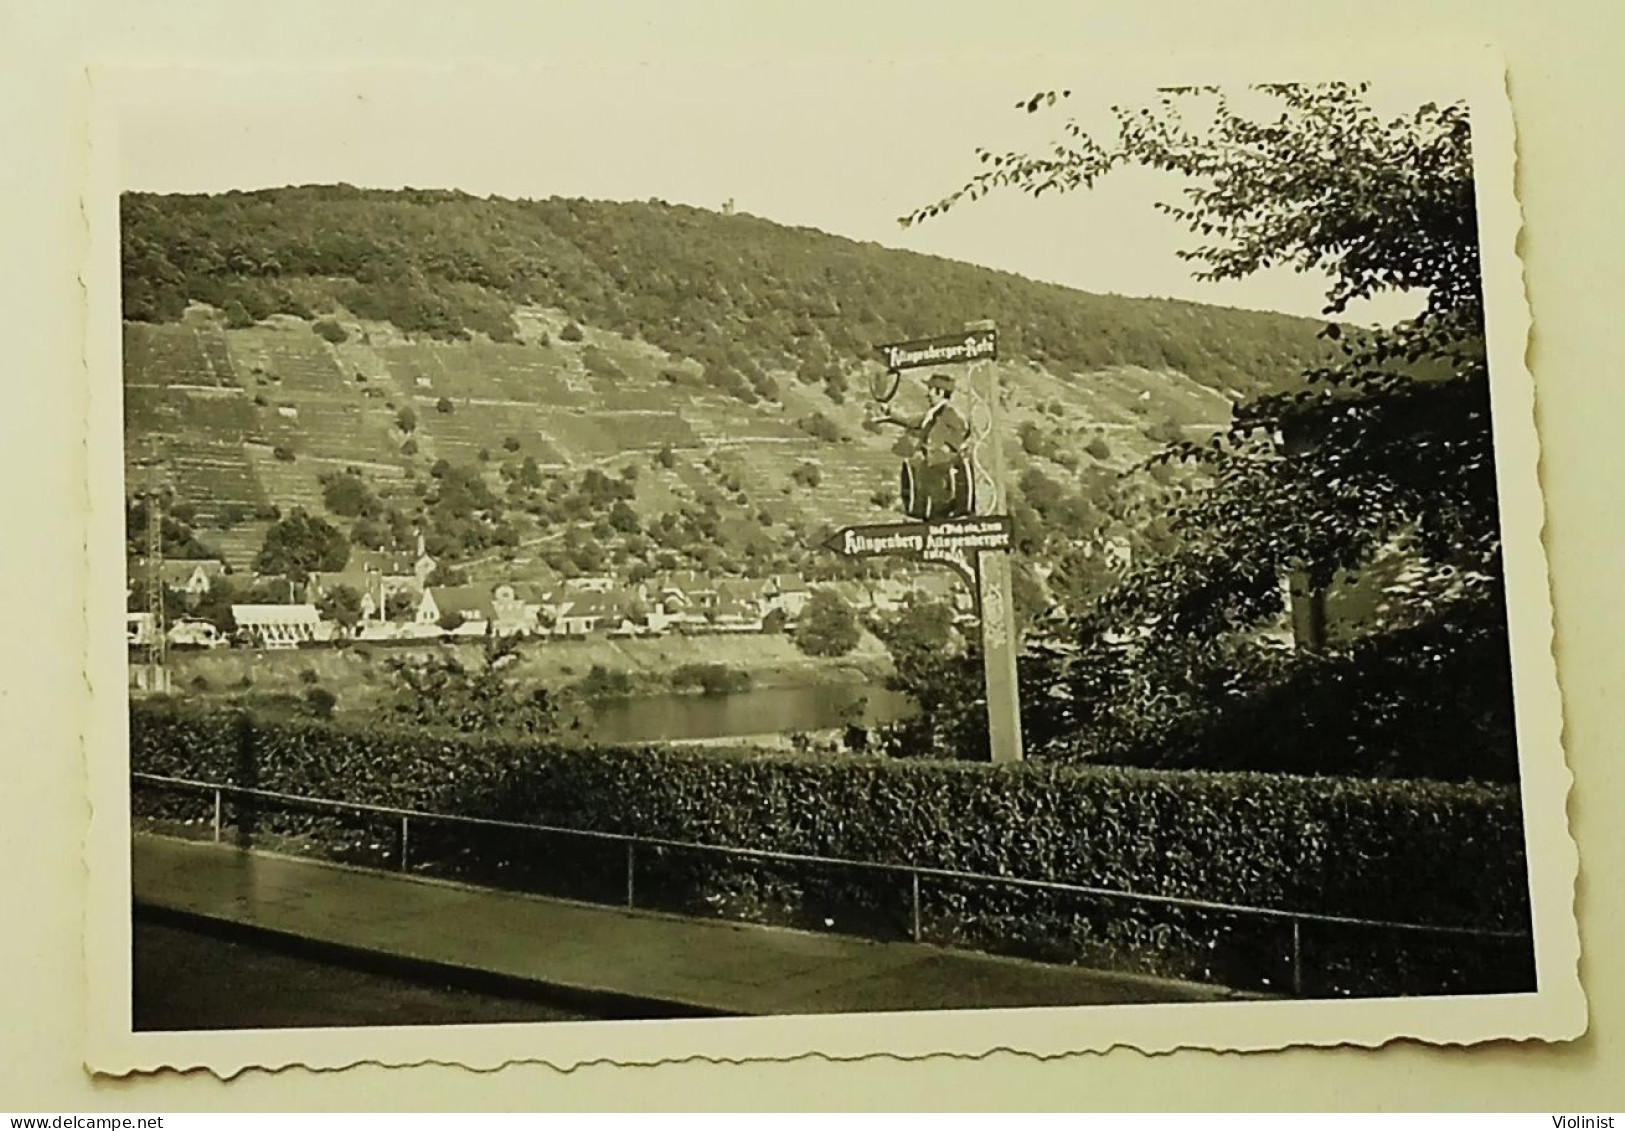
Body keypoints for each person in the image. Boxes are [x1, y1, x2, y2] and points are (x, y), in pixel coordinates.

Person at [869, 372, 974, 520]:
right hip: (930, 463)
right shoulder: (930, 414)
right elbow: (909, 420)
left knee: (938, 499)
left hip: (940, 465)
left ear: (940, 392)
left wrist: (949, 448)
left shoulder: (950, 413)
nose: (928, 394)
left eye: (931, 390)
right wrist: (888, 411)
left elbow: (962, 429)